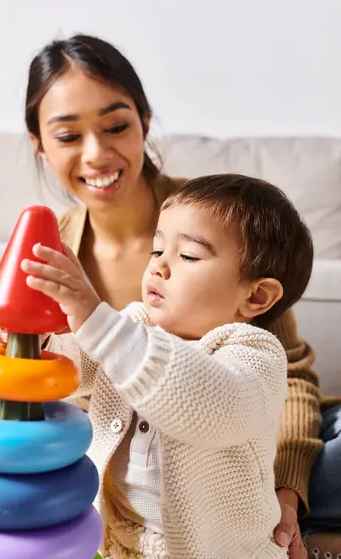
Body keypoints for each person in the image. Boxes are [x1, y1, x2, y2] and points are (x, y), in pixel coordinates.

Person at [0, 33, 331, 558]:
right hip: (121, 530)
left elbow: (244, 390)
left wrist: (286, 491)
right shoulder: (114, 291)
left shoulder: (217, 220)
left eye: (116, 125)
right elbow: (83, 366)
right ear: (40, 144)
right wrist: (38, 341)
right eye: (69, 134)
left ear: (144, 120)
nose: (97, 153)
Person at [20, 173, 313, 558]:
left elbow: (203, 403)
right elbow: (75, 367)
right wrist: (36, 339)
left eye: (188, 256)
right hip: (118, 539)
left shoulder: (255, 356)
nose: (158, 267)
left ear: (256, 295)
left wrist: (96, 319)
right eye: (157, 251)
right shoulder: (136, 322)